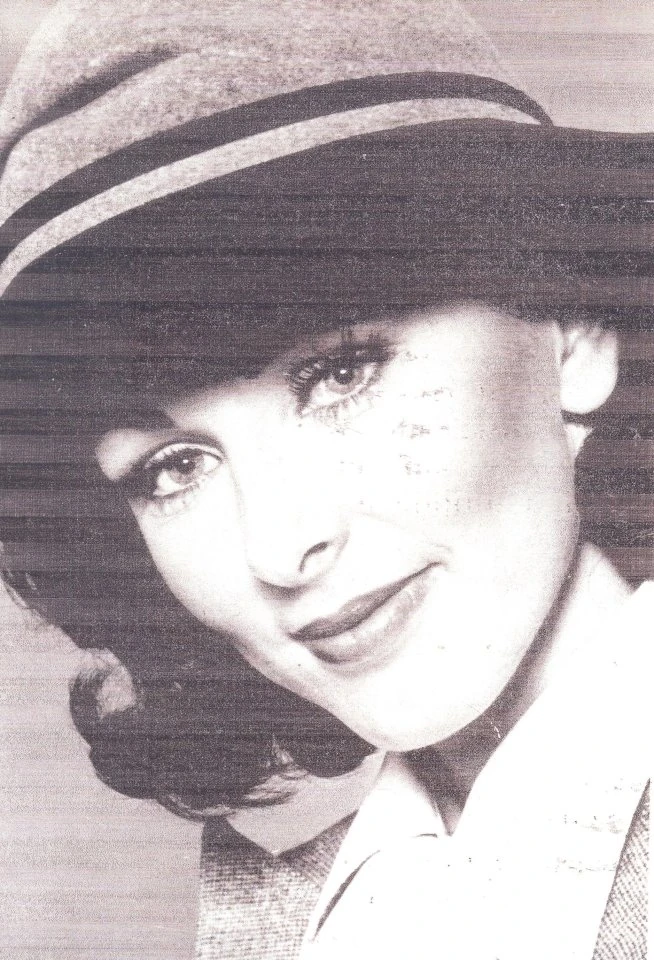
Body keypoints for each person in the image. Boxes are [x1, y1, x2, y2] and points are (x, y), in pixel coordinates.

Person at [0, 1, 650, 958]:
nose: (279, 547)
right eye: (173, 469)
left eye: (341, 375)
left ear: (576, 331)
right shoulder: (276, 923)